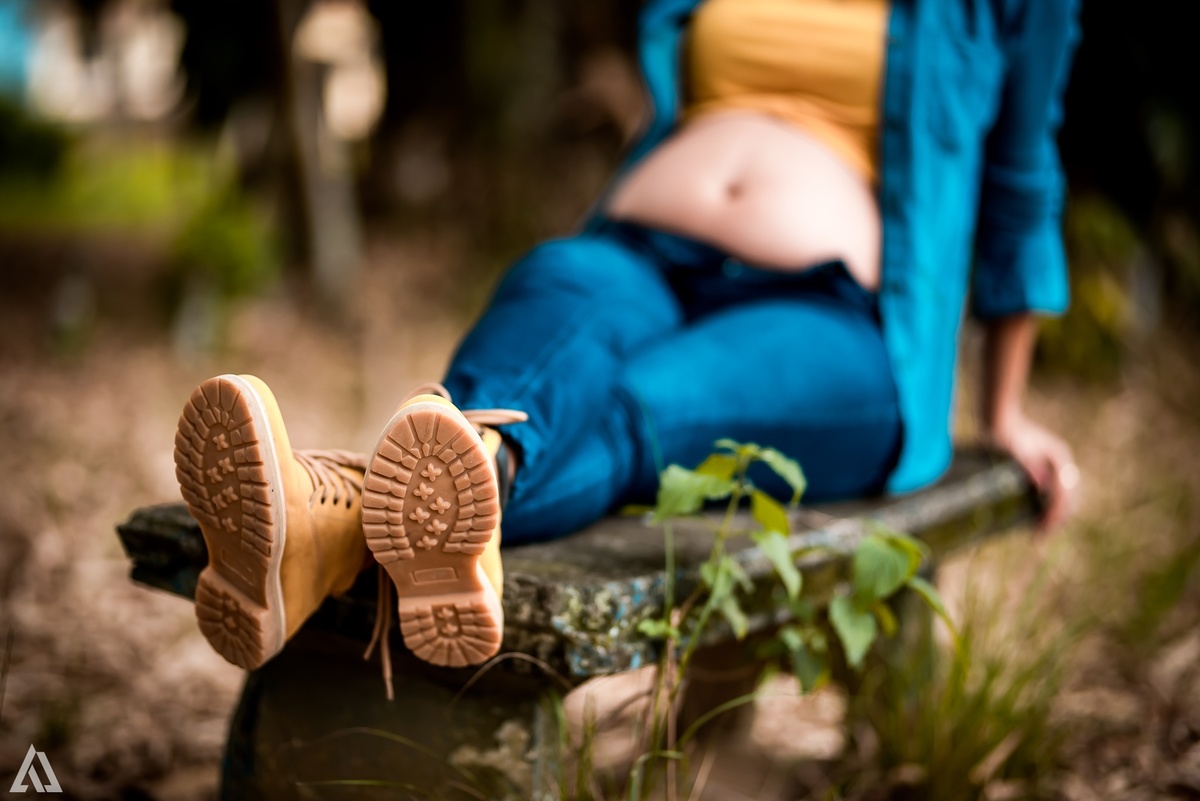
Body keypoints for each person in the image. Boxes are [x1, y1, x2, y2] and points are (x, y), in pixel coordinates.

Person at [173, 0, 1082, 687]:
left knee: (638, 403)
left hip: (836, 318)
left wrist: (1005, 412)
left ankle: (338, 518)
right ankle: (384, 507)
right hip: (639, 251)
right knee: (550, 295)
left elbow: (1021, 185)